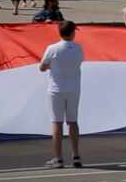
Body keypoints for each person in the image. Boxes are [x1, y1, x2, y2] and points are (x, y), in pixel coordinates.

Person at [40, 20, 84, 168]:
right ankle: (76, 156)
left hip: (56, 89)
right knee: (73, 121)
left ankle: (58, 158)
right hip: (73, 89)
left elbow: (42, 67)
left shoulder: (52, 48)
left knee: (57, 122)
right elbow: (77, 63)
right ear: (71, 33)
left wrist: (51, 65)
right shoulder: (78, 48)